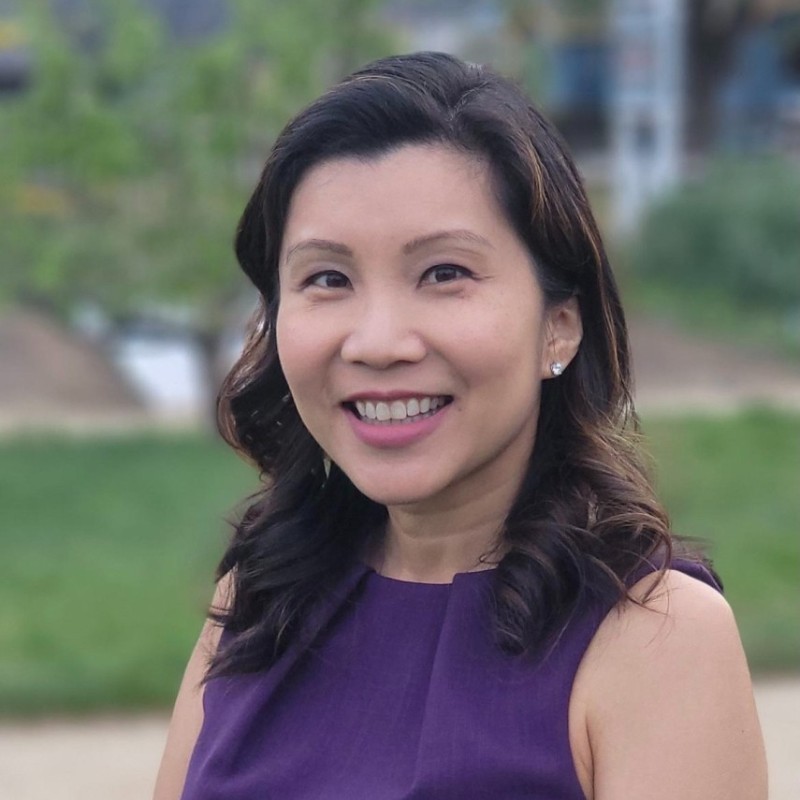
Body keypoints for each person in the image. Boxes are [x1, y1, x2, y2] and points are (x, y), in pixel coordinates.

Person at [154, 52, 767, 800]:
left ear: (560, 326)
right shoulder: (254, 605)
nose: (378, 342)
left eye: (444, 273)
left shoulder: (655, 637)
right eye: (327, 279)